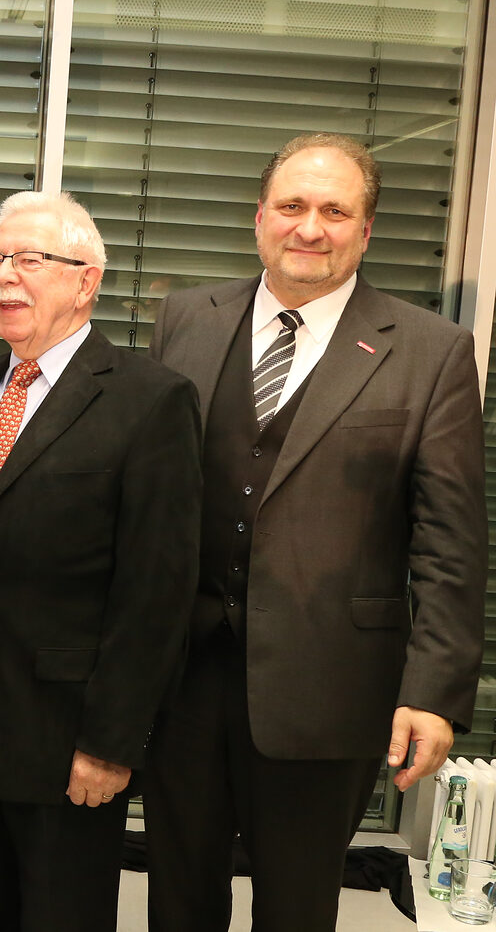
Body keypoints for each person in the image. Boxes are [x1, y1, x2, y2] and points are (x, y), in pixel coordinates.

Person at [144, 132, 486, 931]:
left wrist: (432, 693)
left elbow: (450, 542)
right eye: (292, 206)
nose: (310, 227)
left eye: (335, 210)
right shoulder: (186, 317)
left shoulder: (432, 352)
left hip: (329, 686)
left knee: (296, 910)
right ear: (259, 217)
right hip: (181, 678)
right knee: (176, 898)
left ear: (365, 231)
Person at [0, 190, 202, 932]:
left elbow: (156, 591)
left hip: (67, 743)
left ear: (85, 279)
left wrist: (110, 741)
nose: (5, 277)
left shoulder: (150, 401)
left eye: (29, 259)